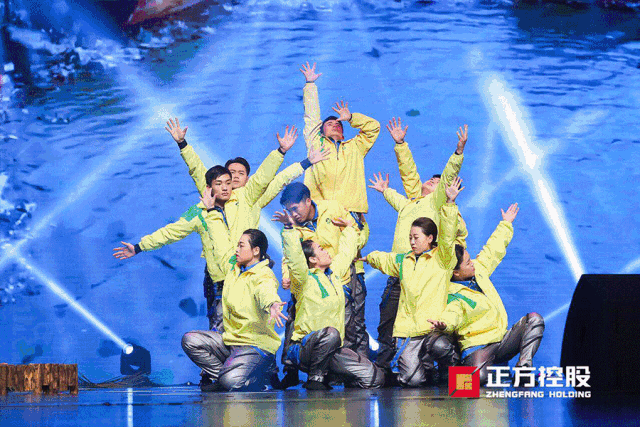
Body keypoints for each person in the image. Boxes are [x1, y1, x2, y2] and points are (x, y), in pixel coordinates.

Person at [114, 125, 302, 332]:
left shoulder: (247, 197)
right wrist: (139, 247)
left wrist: (282, 152)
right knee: (219, 333)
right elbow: (171, 231)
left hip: (250, 274)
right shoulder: (199, 212)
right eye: (221, 181)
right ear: (210, 186)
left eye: (231, 180)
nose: (227, 185)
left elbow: (268, 178)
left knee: (252, 331)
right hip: (220, 281)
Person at [367, 119, 470, 376]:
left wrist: (458, 152)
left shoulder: (437, 204)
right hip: (401, 272)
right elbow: (409, 176)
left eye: (438, 182)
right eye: (431, 180)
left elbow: (445, 176)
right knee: (388, 322)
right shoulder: (409, 204)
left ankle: (449, 374)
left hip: (427, 274)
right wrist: (400, 146)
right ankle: (385, 371)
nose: (434, 181)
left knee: (435, 327)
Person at [300, 62, 380, 358]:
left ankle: (358, 361)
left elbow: (373, 128)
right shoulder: (315, 145)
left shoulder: (354, 148)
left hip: (351, 223)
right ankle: (313, 358)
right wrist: (311, 85)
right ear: (321, 131)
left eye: (339, 123)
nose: (335, 124)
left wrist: (352, 117)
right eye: (330, 122)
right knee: (320, 290)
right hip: (321, 223)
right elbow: (311, 117)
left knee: (355, 297)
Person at [361, 177, 463, 387]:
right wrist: (367, 257)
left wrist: (450, 203)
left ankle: (454, 370)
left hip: (433, 330)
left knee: (441, 347)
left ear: (430, 238)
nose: (412, 242)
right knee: (411, 380)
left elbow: (448, 236)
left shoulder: (442, 259)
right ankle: (419, 371)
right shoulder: (404, 261)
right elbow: (385, 259)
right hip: (412, 333)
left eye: (416, 238)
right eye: (410, 238)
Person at [429, 203, 545, 385]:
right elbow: (453, 314)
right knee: (473, 382)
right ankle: (454, 374)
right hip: (478, 347)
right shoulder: (452, 293)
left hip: (501, 340)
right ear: (456, 273)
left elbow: (492, 250)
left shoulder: (478, 271)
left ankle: (523, 370)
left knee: (534, 320)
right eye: (468, 263)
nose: (473, 264)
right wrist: (444, 324)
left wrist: (506, 223)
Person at [278, 211, 384, 390]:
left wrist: (349, 228)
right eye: (321, 249)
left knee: (375, 378)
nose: (326, 251)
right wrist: (289, 229)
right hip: (305, 348)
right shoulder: (303, 279)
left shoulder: (334, 274)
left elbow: (346, 253)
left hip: (332, 348)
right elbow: (295, 259)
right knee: (331, 333)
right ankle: (315, 379)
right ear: (312, 259)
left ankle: (331, 374)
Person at [181, 228, 288, 392]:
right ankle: (225, 378)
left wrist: (272, 304)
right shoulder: (234, 271)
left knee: (230, 381)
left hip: (254, 345)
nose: (237, 249)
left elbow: (266, 291)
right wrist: (212, 217)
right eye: (237, 245)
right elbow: (219, 243)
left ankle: (259, 375)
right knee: (190, 340)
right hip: (231, 341)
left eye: (241, 246)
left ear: (256, 250)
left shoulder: (263, 275)